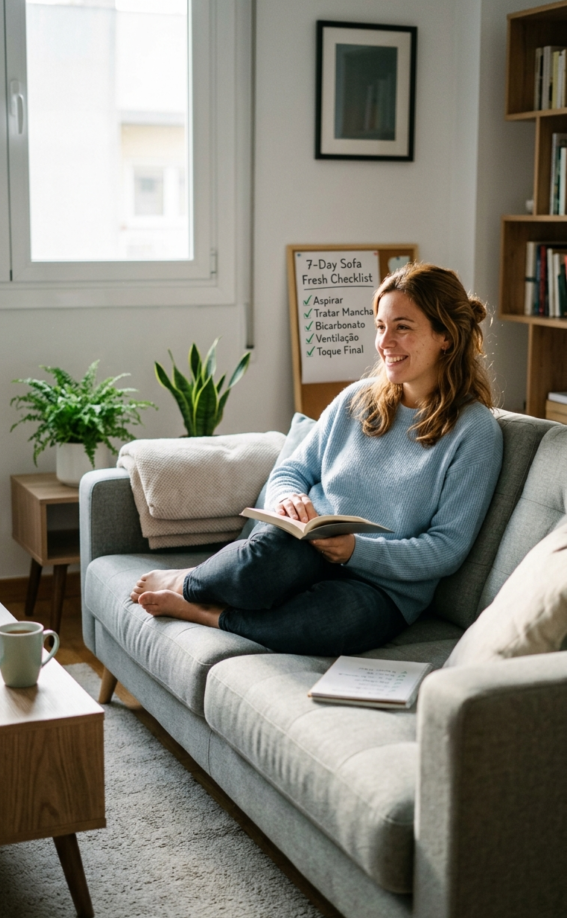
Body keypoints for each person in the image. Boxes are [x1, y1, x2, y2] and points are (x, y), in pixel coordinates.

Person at [131, 262, 503, 656]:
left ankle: (207, 613)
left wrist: (358, 550)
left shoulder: (475, 433)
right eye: (380, 326)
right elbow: (291, 470)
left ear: (445, 335)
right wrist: (287, 499)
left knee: (332, 625)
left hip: (382, 586)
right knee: (262, 565)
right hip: (304, 549)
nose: (385, 342)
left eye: (403, 327)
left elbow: (446, 549)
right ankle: (190, 582)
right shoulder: (356, 400)